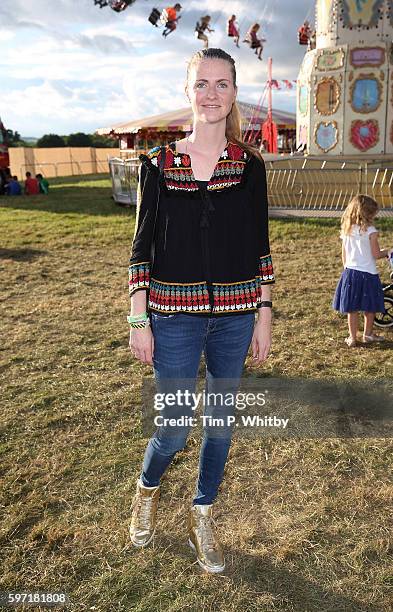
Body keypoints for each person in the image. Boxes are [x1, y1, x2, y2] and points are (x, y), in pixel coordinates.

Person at [128, 47, 275, 573]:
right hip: (173, 317)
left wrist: (264, 310)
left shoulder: (250, 166)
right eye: (201, 84)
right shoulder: (157, 165)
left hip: (237, 316)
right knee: (172, 426)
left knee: (219, 422)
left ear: (235, 92)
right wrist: (138, 317)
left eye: (222, 85)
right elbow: (141, 248)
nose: (211, 95)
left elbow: (260, 244)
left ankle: (202, 513)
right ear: (187, 91)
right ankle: (147, 489)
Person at [332, 194, 393, 347]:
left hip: (350, 273)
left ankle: (352, 338)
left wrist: (347, 270)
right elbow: (376, 254)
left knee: (352, 308)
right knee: (370, 306)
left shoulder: (347, 229)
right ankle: (368, 335)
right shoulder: (371, 231)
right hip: (369, 274)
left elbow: (344, 254)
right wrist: (387, 251)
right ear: (368, 214)